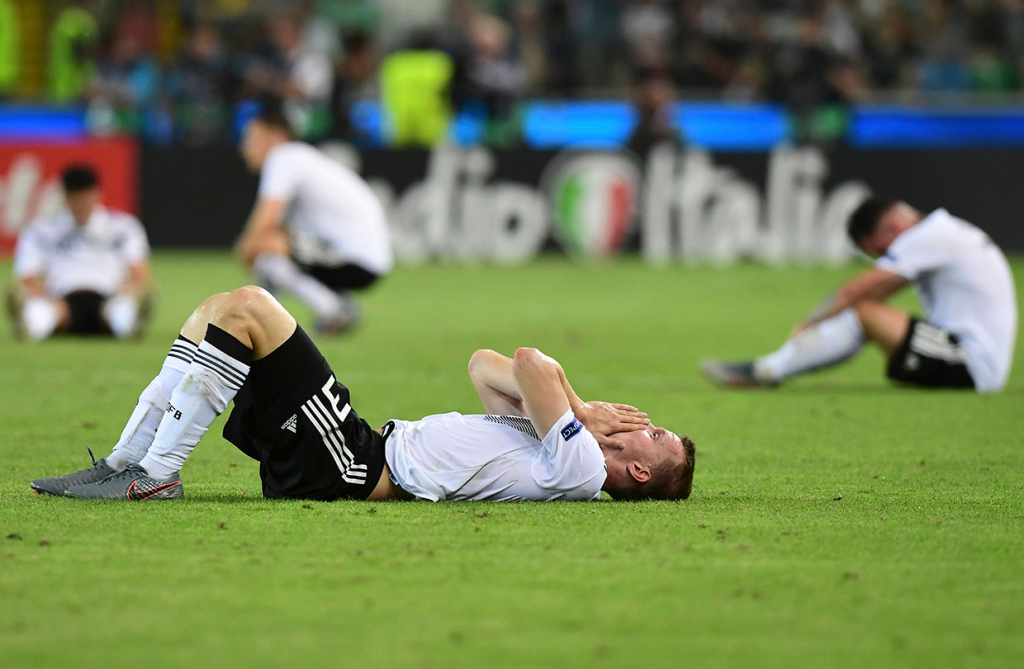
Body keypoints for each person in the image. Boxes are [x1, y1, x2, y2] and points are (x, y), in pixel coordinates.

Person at [30, 285, 696, 502]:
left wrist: (582, 410)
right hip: (355, 451)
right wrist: (570, 410)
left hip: (359, 462)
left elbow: (531, 360)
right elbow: (486, 365)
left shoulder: (578, 468)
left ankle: (155, 475)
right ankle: (125, 462)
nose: (647, 422)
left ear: (638, 469)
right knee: (218, 310)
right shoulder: (549, 448)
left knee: (253, 307)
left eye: (656, 436)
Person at [701, 198, 1017, 393]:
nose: (884, 257)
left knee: (863, 310)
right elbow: (881, 289)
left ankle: (767, 371)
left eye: (882, 250)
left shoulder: (927, 236)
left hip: (973, 365)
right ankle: (771, 368)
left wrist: (810, 322)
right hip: (978, 360)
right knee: (865, 310)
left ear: (895, 227)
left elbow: (859, 289)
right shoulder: (947, 229)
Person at [236, 104, 392, 334]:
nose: (244, 148)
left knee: (263, 247)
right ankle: (332, 302)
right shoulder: (302, 158)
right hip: (365, 256)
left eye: (251, 138)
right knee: (270, 248)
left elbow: (262, 226)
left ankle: (331, 309)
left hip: (357, 257)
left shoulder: (283, 157)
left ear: (276, 137)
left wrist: (245, 247)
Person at [7, 165, 153, 341]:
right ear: (65, 197)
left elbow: (139, 273)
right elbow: (27, 276)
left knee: (122, 313)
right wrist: (39, 292)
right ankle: (27, 323)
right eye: (75, 198)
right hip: (61, 301)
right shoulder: (41, 230)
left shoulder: (123, 227)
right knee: (40, 316)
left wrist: (133, 289)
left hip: (108, 298)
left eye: (85, 197)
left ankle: (132, 322)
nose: (80, 204)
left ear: (97, 194)